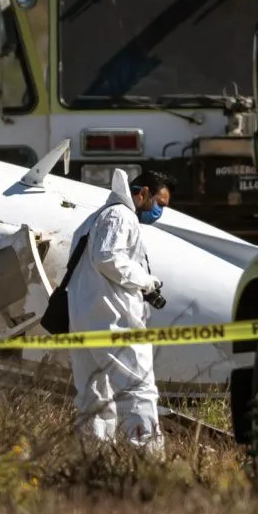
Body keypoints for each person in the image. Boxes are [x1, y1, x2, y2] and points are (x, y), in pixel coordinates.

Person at [67, 168, 174, 454]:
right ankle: (148, 465)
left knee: (94, 397)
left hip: (87, 318)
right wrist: (145, 280)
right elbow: (109, 258)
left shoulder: (96, 219)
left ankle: (93, 462)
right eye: (159, 204)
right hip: (113, 320)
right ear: (143, 194)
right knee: (138, 391)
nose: (159, 212)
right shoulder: (120, 216)